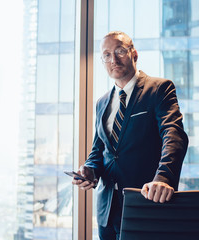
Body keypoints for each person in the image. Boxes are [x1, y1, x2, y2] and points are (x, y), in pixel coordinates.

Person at [72, 31, 188, 240]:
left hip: (146, 203)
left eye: (120, 51)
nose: (113, 59)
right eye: (106, 55)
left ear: (134, 54)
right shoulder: (102, 102)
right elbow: (99, 151)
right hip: (107, 211)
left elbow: (174, 135)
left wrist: (164, 178)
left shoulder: (159, 89)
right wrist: (89, 170)